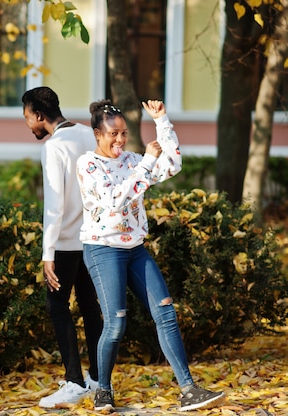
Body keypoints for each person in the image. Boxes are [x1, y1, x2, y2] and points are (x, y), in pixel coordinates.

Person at [77, 99, 225, 412]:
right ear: (96, 135)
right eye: (112, 134)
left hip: (135, 249)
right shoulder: (88, 165)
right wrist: (145, 163)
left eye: (124, 134)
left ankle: (188, 389)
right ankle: (103, 389)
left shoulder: (132, 159)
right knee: (116, 325)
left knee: (166, 313)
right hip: (103, 249)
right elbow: (115, 199)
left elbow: (172, 165)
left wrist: (162, 121)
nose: (119, 140)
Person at [21, 87, 104, 408]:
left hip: (67, 243)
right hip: (95, 238)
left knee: (58, 308)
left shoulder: (55, 147)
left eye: (28, 118)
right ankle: (98, 379)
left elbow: (53, 205)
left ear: (39, 116)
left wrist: (47, 253)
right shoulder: (89, 134)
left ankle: (73, 380)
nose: (29, 125)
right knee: (90, 307)